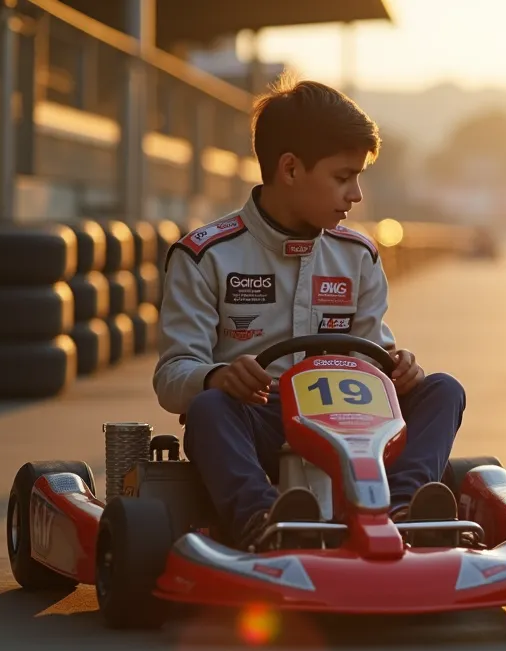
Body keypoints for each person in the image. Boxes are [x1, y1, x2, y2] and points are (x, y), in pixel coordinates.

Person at [153, 76, 467, 552]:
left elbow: (374, 352)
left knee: (443, 390)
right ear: (291, 169)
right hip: (256, 418)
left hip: (351, 416)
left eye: (358, 178)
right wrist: (216, 377)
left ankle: (402, 509)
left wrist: (398, 369)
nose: (356, 195)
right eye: (343, 178)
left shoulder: (357, 255)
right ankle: (266, 520)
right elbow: (173, 374)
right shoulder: (206, 255)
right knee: (208, 410)